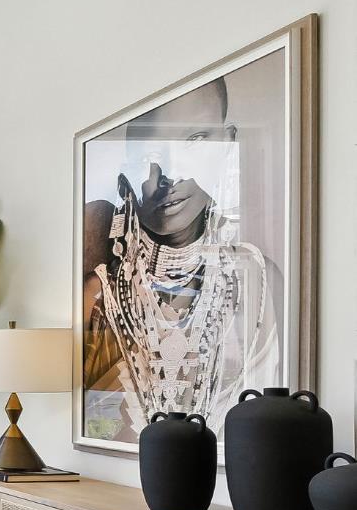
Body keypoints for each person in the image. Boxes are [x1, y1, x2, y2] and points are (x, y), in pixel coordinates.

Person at [81, 77, 279, 442]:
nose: (170, 175)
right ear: (127, 176)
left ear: (227, 144)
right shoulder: (99, 294)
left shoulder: (259, 282)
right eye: (149, 158)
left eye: (196, 140)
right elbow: (94, 414)